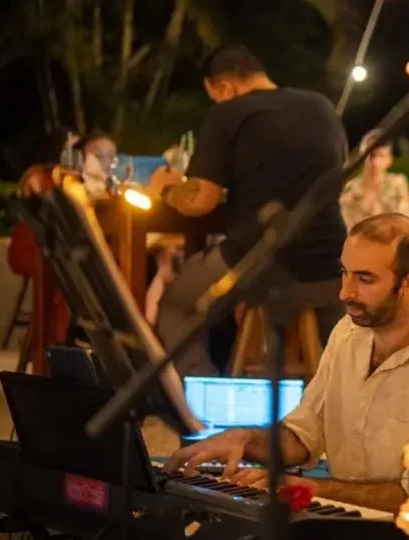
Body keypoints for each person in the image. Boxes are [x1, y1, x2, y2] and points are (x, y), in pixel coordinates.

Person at [164, 213, 409, 540]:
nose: (345, 293)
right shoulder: (347, 333)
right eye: (344, 273)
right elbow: (304, 435)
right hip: (354, 526)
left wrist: (310, 488)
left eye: (365, 279)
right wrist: (245, 439)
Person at [148, 44, 348, 376]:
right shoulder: (321, 105)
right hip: (332, 264)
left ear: (225, 88)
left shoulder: (229, 112)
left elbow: (200, 201)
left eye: (215, 97)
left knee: (176, 305)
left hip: (260, 259)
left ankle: (201, 398)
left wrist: (165, 188)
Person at [339, 129, 409, 228]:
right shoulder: (350, 189)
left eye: (381, 156)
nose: (375, 162)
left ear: (389, 160)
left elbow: (406, 220)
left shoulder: (397, 184)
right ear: (362, 157)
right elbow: (344, 224)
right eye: (371, 155)